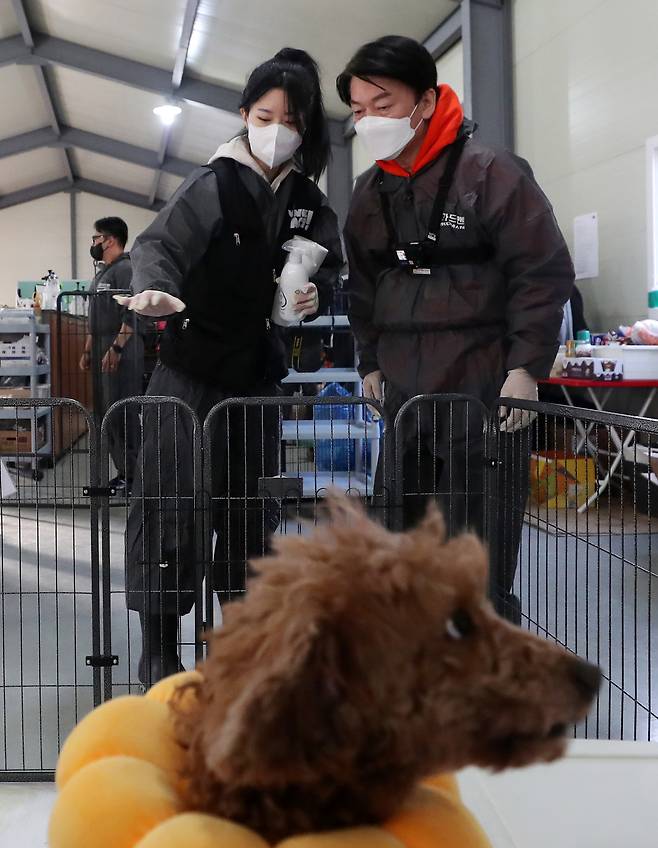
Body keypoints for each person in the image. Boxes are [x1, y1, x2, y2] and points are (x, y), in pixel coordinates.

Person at [119, 48, 343, 686]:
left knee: (248, 511)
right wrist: (156, 295)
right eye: (264, 114)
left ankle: (235, 644)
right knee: (167, 502)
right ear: (245, 114)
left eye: (290, 118)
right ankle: (159, 645)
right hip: (187, 371)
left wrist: (313, 294)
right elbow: (159, 246)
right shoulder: (212, 182)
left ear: (306, 129)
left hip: (256, 379)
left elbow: (328, 262)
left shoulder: (306, 197)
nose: (275, 129)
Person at [337, 36, 575, 622]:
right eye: (358, 109)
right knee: (400, 544)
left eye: (382, 104)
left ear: (423, 101)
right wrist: (369, 361)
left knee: (480, 554)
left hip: (483, 387)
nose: (368, 120)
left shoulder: (490, 173)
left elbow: (541, 271)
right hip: (404, 393)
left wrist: (526, 369)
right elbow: (361, 288)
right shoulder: (370, 194)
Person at [79, 217, 144, 493]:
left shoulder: (126, 270)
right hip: (102, 350)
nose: (94, 243)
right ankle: (124, 473)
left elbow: (132, 315)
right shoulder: (102, 273)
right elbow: (96, 317)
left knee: (123, 413)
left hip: (121, 353)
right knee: (108, 414)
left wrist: (116, 348)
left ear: (110, 239)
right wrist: (87, 349)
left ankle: (136, 478)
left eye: (96, 237)